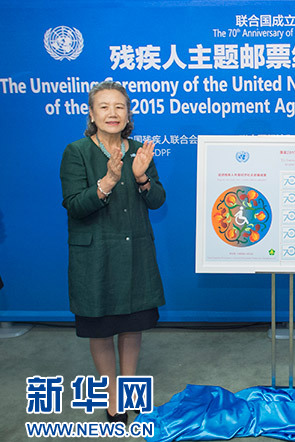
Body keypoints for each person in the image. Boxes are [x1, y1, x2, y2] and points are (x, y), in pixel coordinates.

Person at [60, 81, 166, 424]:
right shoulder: (76, 152)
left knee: (132, 326)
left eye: (119, 106)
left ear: (128, 114)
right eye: (104, 107)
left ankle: (130, 388)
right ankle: (111, 395)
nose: (112, 113)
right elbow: (75, 206)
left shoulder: (139, 151)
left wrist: (141, 178)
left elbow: (158, 200)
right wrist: (106, 181)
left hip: (134, 252)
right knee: (102, 328)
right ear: (91, 114)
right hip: (96, 256)